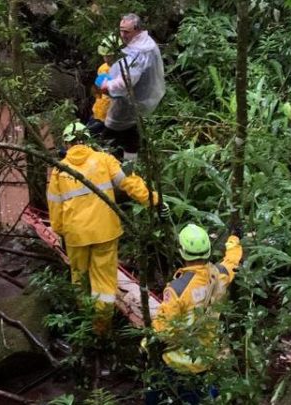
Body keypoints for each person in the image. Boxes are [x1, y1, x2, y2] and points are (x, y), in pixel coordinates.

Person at [47, 121, 169, 336]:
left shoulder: (59, 171)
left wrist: (60, 232)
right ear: (88, 139)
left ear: (67, 143)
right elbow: (130, 183)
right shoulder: (104, 160)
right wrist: (155, 201)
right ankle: (102, 328)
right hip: (105, 232)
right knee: (104, 283)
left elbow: (55, 208)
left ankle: (85, 324)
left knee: (80, 279)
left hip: (76, 236)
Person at [145, 224, 243, 404]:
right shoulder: (219, 275)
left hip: (177, 363)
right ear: (207, 251)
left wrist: (145, 343)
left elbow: (164, 331)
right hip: (205, 357)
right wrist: (234, 239)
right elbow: (232, 261)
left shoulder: (177, 289)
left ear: (182, 252)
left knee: (154, 393)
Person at [100, 13, 165, 161]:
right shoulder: (145, 42)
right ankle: (131, 170)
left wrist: (107, 86)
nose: (123, 35)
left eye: (126, 31)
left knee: (109, 137)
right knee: (130, 137)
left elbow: (127, 81)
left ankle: (112, 171)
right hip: (140, 100)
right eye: (121, 30)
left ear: (137, 29)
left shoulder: (140, 52)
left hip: (131, 101)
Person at [86, 35, 118, 135]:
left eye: (108, 56)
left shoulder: (122, 69)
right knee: (88, 132)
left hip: (113, 113)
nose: (105, 59)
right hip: (99, 110)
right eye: (104, 56)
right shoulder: (102, 68)